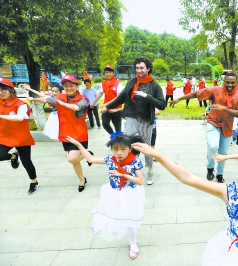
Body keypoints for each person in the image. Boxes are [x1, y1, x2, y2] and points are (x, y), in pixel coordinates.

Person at [67, 133, 145, 259]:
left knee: (130, 220)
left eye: (123, 149)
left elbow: (140, 181)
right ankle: (116, 227)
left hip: (130, 194)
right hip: (113, 192)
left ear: (130, 149)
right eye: (115, 149)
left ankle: (133, 242)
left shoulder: (135, 162)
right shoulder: (110, 160)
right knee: (112, 213)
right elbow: (91, 159)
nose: (119, 153)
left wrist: (123, 175)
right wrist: (79, 145)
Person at [171, 72, 238, 183]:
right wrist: (180, 98)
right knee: (213, 146)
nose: (230, 85)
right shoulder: (215, 90)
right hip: (213, 122)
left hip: (227, 127)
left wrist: (223, 108)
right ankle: (210, 168)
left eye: (232, 83)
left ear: (236, 83)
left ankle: (220, 174)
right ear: (223, 82)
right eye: (227, 82)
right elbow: (197, 94)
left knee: (223, 153)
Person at [101, 56, 166, 185]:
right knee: (127, 141)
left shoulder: (154, 86)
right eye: (137, 68)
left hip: (146, 120)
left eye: (142, 68)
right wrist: (107, 107)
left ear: (148, 68)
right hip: (131, 117)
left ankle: (150, 170)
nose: (139, 70)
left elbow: (162, 105)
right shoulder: (131, 83)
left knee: (146, 147)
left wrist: (147, 96)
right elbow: (121, 98)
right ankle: (129, 167)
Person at [0, 78, 39, 195]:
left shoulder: (21, 105)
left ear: (11, 90)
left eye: (3, 89)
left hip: (21, 137)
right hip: (4, 136)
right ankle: (13, 157)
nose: (0, 92)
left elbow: (19, 118)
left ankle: (34, 182)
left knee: (26, 162)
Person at [48, 75, 91, 192]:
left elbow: (76, 108)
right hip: (66, 134)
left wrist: (62, 104)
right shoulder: (61, 97)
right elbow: (47, 99)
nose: (68, 88)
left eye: (71, 86)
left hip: (79, 134)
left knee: (71, 158)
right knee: (74, 161)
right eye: (66, 86)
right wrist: (34, 98)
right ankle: (82, 179)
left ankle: (88, 155)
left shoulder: (83, 99)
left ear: (77, 86)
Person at [92, 65, 123, 135]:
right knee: (105, 124)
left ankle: (118, 140)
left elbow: (118, 97)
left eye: (110, 72)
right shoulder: (104, 83)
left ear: (113, 73)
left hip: (116, 109)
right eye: (106, 72)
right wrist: (93, 102)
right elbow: (100, 93)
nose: (108, 74)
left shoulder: (118, 83)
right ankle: (113, 136)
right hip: (106, 109)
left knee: (118, 128)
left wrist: (107, 104)